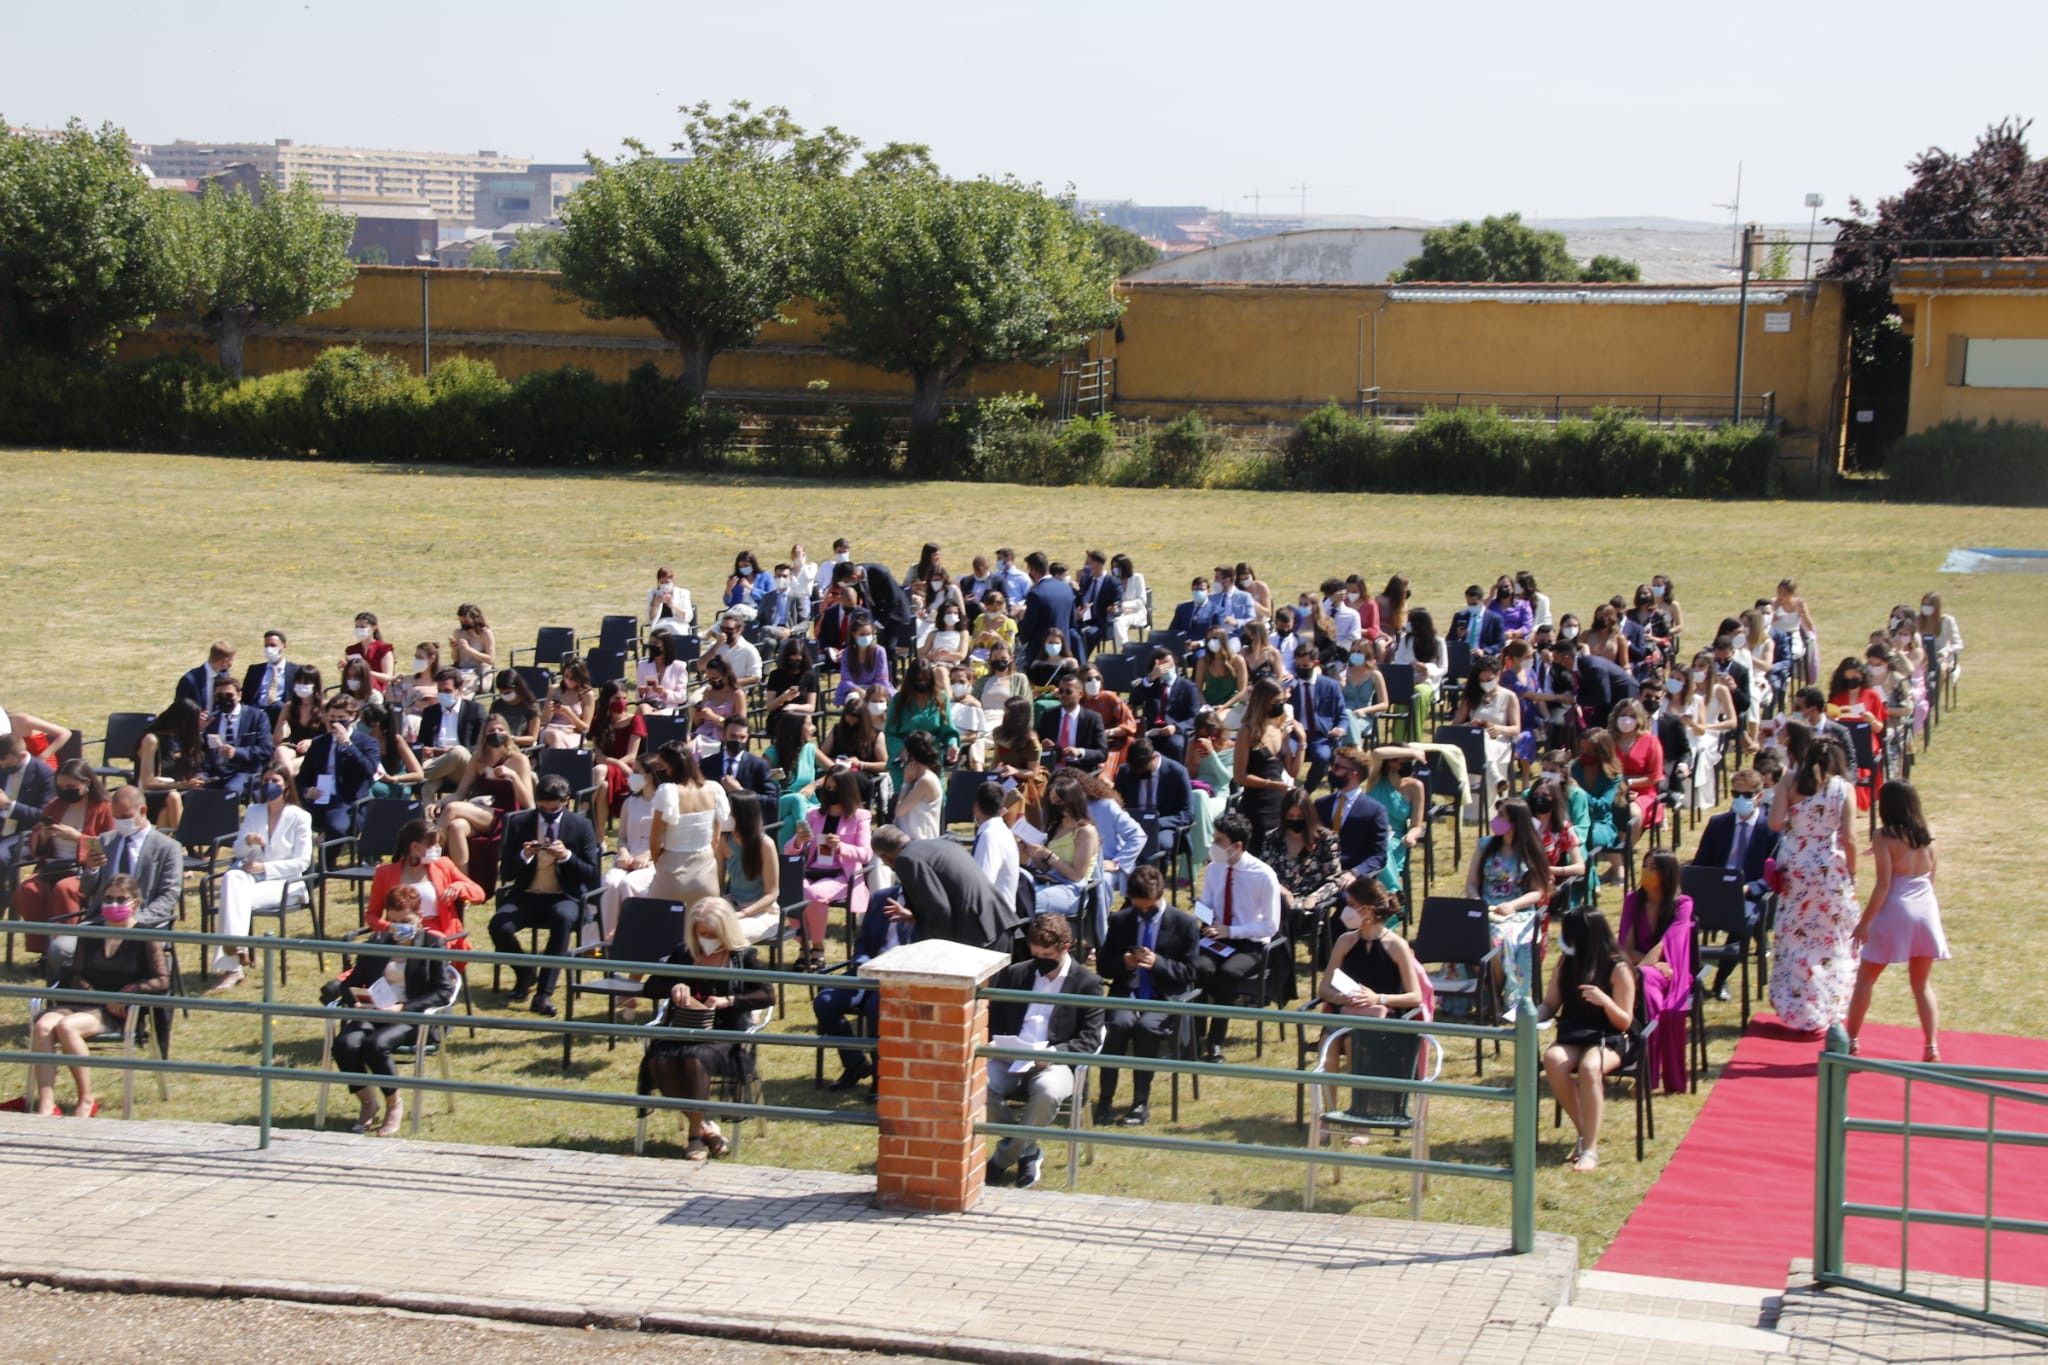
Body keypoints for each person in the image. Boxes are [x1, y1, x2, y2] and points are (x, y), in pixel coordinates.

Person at [638, 897, 773, 1161]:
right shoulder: (684, 953)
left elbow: (767, 995)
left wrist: (729, 1001)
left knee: (693, 1059)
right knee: (658, 1062)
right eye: (702, 934)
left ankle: (694, 1136)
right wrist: (674, 986)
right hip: (685, 1027)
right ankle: (707, 1127)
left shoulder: (743, 957)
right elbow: (651, 986)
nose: (707, 940)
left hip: (725, 1035)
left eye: (713, 934)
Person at [23, 874, 167, 1117]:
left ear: (136, 902)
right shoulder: (90, 933)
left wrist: (130, 992)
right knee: (43, 1026)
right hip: (86, 1000)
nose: (114, 904)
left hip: (119, 1010)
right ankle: (47, 1103)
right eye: (108, 899)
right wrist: (101, 996)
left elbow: (162, 980)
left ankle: (86, 1099)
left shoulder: (145, 936)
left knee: (68, 1027)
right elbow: (77, 975)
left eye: (121, 899)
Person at [984, 913, 1106, 1188]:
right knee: (977, 1084)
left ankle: (1001, 1160)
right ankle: (1027, 1151)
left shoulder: (1087, 984)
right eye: (1035, 953)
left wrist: (1053, 1053)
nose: (1040, 960)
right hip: (1010, 1056)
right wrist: (995, 1042)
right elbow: (994, 1020)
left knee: (1048, 1092)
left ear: (1065, 947)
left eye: (1047, 955)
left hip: (1055, 1061)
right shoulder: (1016, 973)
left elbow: (1089, 1040)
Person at [327, 887, 460, 1136]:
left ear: (420, 916)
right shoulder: (378, 941)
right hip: (374, 1012)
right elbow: (349, 983)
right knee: (345, 1043)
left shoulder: (433, 943)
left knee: (376, 1045)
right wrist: (356, 1000)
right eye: (394, 922)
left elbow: (442, 991)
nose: (400, 928)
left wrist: (402, 1007)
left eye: (406, 922)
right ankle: (368, 1102)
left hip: (411, 1016)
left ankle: (393, 1104)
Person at [1847, 781, 1948, 1060]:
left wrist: (1865, 922)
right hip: (1926, 909)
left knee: (1865, 978)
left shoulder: (1883, 836)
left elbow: (1883, 884)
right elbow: (1930, 879)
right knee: (1921, 984)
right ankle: (1931, 1046)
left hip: (1895, 909)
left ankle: (1852, 1042)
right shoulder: (1930, 834)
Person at [490, 772, 603, 1017]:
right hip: (529, 894)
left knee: (562, 919)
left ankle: (544, 994)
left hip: (565, 896)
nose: (548, 813)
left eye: (554, 809)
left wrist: (567, 857)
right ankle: (525, 973)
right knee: (499, 925)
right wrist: (524, 856)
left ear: (566, 801)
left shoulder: (581, 825)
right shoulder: (520, 823)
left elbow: (592, 874)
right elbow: (506, 872)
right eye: (543, 808)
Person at [1095, 864, 1200, 1127]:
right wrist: (1125, 963)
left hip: (1162, 995)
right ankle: (1105, 1100)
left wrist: (1158, 963)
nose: (1143, 912)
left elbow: (1190, 972)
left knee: (1146, 1028)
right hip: (1128, 990)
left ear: (1160, 896)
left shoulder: (1184, 924)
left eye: (1147, 907)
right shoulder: (1120, 921)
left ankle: (1140, 1102)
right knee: (1118, 1024)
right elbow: (1104, 965)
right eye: (1138, 906)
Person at [1768, 736, 1860, 1034]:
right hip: (1828, 867)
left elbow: (1774, 822)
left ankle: (1798, 1006)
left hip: (1796, 864)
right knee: (1830, 940)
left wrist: (1799, 823)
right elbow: (1849, 837)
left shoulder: (1789, 782)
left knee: (1796, 937)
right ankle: (1827, 1005)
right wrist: (1853, 871)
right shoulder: (1843, 789)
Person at [1538, 909, 1639, 1173]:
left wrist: (1605, 1001)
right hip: (1576, 1032)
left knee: (1589, 1068)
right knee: (1553, 1059)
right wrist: (1528, 1016)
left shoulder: (1618, 968)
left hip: (1613, 1036)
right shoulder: (1566, 963)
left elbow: (1624, 1021)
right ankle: (1584, 1131)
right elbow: (1550, 1003)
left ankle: (1590, 1148)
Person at [54, 785, 182, 977]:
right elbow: (86, 890)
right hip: (101, 921)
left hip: (143, 923)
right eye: (116, 817)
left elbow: (169, 894)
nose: (120, 822)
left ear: (143, 811)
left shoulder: (168, 847)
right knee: (60, 948)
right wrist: (92, 868)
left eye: (125, 817)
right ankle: (69, 1000)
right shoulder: (103, 841)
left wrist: (135, 921)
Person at [209, 762, 314, 990]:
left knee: (234, 899)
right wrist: (248, 842)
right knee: (231, 879)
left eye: (275, 781)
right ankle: (237, 950)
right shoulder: (255, 811)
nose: (269, 785)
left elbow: (302, 862)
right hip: (252, 878)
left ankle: (233, 964)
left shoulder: (300, 817)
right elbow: (238, 850)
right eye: (266, 781)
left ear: (286, 785)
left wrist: (265, 869)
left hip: (286, 883)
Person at [1193, 812, 1282, 1059]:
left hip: (1249, 940)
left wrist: (1231, 931)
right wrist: (1206, 918)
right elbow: (1206, 902)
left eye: (1219, 840)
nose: (1214, 845)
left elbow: (1270, 926)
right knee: (1200, 967)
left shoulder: (1263, 875)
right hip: (1217, 935)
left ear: (1237, 846)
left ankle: (1215, 1042)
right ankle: (1194, 1030)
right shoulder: (1214, 869)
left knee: (1228, 974)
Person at [815, 875, 916, 1090]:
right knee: (825, 1002)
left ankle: (881, 1077)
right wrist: (862, 961)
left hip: (900, 976)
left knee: (876, 1010)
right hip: (868, 970)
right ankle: (856, 1064)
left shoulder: (928, 907)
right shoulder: (882, 898)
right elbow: (862, 942)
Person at [1689, 765, 1779, 999]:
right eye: (1735, 794)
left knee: (1743, 923)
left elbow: (1773, 876)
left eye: (1747, 795)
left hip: (1747, 894)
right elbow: (1701, 863)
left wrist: (1749, 888)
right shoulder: (1718, 824)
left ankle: (1721, 980)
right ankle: (1691, 974)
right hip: (1715, 890)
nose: (1740, 800)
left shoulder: (1770, 830)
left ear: (1759, 796)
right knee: (1681, 917)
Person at [10, 760, 110, 955]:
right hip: (53, 866)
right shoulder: (54, 806)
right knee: (28, 890)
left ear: (87, 783)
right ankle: (42, 951)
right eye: (61, 787)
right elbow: (37, 845)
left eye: (71, 787)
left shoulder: (104, 808)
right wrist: (44, 836)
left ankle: (64, 949)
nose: (65, 791)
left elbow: (109, 846)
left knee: (64, 890)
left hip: (84, 869)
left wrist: (77, 837)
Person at [1465, 798, 1553, 1014]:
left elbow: (1537, 892)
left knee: (1497, 940)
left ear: (1515, 821)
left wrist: (1512, 905)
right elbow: (1471, 883)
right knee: (1471, 934)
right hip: (1486, 906)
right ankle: (1489, 994)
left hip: (1516, 911)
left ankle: (1496, 996)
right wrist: (1478, 902)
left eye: (1501, 815)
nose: (1496, 820)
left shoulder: (1529, 850)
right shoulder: (1485, 845)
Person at [1617, 850, 1692, 1094]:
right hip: (1644, 969)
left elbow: (1667, 944)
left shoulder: (1682, 904)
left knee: (1648, 981)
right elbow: (1624, 947)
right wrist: (1645, 968)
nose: (1646, 872)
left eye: (1653, 867)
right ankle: (1649, 1073)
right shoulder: (1633, 900)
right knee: (1649, 981)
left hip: (1673, 971)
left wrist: (1642, 971)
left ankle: (1647, 1074)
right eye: (1645, 865)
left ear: (1666, 874)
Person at [871, 823, 1017, 949]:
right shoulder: (940, 844)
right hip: (998, 925)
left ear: (885, 857)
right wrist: (915, 917)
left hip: (979, 939)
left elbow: (939, 911)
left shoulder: (906, 859)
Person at [783, 769, 871, 970]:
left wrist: (841, 847)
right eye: (828, 787)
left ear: (846, 791)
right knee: (790, 890)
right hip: (813, 869)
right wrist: (799, 841)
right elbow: (789, 849)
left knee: (814, 894)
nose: (830, 792)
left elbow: (866, 854)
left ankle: (817, 947)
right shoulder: (813, 815)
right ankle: (803, 944)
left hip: (842, 875)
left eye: (835, 788)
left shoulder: (860, 817)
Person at [432, 719, 533, 879]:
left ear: (507, 733)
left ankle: (431, 858)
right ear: (484, 734)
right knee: (456, 827)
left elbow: (529, 803)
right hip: (485, 811)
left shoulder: (518, 760)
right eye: (492, 730)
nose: (496, 733)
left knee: (453, 809)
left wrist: (513, 776)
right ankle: (464, 883)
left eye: (501, 729)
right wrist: (440, 802)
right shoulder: (478, 759)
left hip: (509, 815)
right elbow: (460, 793)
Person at [366, 818, 486, 947]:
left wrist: (459, 887)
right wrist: (389, 928)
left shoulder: (443, 865)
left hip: (438, 936)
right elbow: (372, 915)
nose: (438, 848)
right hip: (400, 935)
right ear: (415, 847)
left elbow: (479, 894)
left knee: (429, 945)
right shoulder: (384, 873)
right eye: (433, 845)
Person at [646, 742, 732, 907]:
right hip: (705, 874)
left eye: (661, 766)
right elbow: (715, 839)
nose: (659, 771)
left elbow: (655, 841)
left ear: (672, 766)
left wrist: (662, 864)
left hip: (672, 872)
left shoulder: (668, 792)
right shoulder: (715, 789)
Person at [1265, 787, 1344, 950]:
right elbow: (1263, 873)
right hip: (1276, 897)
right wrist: (1282, 890)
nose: (1295, 820)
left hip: (1307, 904)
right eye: (1291, 816)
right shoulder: (1272, 838)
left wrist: (1315, 898)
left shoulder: (1326, 840)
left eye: (1300, 817)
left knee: (1288, 915)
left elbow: (1335, 879)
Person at [1019, 773, 1102, 928]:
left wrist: (1047, 854)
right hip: (1050, 881)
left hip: (1072, 891)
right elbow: (1047, 868)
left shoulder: (1085, 831)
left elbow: (1077, 875)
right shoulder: (1056, 825)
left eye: (1060, 803)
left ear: (1072, 802)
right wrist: (1034, 854)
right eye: (1053, 803)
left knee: (1024, 901)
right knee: (1014, 894)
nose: (1057, 808)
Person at [1317, 746, 1391, 894]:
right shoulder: (1321, 804)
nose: (1332, 771)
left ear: (1354, 774)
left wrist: (1355, 873)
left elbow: (1378, 855)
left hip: (1351, 877)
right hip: (1318, 872)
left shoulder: (1374, 811)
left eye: (1337, 767)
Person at [599, 757, 660, 939]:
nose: (631, 776)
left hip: (654, 861)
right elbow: (622, 838)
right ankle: (605, 938)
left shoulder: (664, 804)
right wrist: (623, 853)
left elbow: (667, 840)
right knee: (610, 883)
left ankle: (632, 937)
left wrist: (648, 856)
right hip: (628, 858)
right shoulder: (630, 803)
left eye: (637, 772)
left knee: (630, 884)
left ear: (649, 776)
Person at [1232, 678, 1293, 850]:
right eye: (1276, 702)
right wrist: (1270, 784)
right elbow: (1239, 776)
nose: (1280, 705)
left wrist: (1300, 743)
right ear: (1263, 702)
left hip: (1279, 801)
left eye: (1282, 701)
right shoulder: (1247, 732)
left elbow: (1293, 770)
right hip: (1257, 805)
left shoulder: (1279, 727)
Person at [1114, 739, 1193, 872]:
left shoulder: (1177, 773)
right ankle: (1128, 888)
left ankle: (1153, 888)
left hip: (1163, 827)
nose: (1138, 774)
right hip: (1132, 824)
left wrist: (1157, 822)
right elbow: (1117, 805)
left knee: (1160, 845)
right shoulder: (1125, 771)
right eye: (1135, 771)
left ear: (1154, 757)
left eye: (1142, 770)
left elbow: (1187, 814)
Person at [1454, 655, 1522, 805]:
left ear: (1498, 675)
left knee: (1486, 740)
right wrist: (1469, 725)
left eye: (1489, 680)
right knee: (1481, 738)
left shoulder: (1509, 697)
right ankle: (1496, 778)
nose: (1485, 684)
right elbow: (1455, 725)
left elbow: (1516, 728)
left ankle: (1495, 779)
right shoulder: (1471, 695)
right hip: (1474, 739)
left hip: (1499, 740)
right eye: (1482, 681)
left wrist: (1498, 728)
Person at [721, 793, 783, 944]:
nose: (725, 815)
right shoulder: (724, 841)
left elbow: (772, 894)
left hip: (762, 912)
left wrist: (743, 914)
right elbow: (718, 885)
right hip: (733, 905)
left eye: (729, 811)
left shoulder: (765, 844)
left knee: (727, 933)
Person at [414, 669, 486, 794]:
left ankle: (413, 775)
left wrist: (449, 752)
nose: (443, 695)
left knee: (458, 752)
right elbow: (422, 742)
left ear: (459, 689)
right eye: (440, 691)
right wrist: (425, 751)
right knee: (426, 789)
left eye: (447, 691)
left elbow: (482, 745)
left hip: (464, 766)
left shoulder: (475, 710)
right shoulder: (430, 712)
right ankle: (426, 813)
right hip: (437, 763)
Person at [138, 698, 205, 832]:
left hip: (171, 793)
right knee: (173, 797)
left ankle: (163, 849)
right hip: (150, 794)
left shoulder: (175, 739)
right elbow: (147, 782)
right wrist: (182, 785)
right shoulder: (151, 740)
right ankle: (186, 842)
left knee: (166, 812)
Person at [589, 685, 648, 833]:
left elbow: (631, 756)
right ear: (607, 700)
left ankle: (584, 809)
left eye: (624, 698)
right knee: (603, 787)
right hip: (604, 772)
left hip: (626, 770)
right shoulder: (599, 722)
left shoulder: (635, 720)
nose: (621, 702)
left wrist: (615, 763)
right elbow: (598, 753)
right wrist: (609, 762)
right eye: (616, 699)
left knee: (599, 769)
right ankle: (600, 839)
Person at [1129, 646, 1201, 765]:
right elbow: (1134, 700)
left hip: (1174, 731)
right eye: (1163, 667)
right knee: (1139, 747)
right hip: (1152, 730)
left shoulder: (1188, 687)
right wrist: (1150, 678)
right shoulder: (1151, 685)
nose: (1167, 669)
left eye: (1170, 665)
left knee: (1175, 745)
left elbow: (1194, 717)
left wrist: (1176, 727)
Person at [0, 733, 58, 870]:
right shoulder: (2, 767)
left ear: (22, 756)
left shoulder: (45, 775)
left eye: (6, 764)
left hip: (25, 833)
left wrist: (8, 806)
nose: (3, 767)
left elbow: (44, 816)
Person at [702, 713, 779, 814]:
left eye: (742, 737)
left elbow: (772, 800)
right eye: (733, 736)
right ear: (724, 735)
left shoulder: (758, 765)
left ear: (747, 738)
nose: (737, 741)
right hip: (715, 820)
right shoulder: (707, 764)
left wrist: (741, 791)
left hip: (746, 820)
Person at [1035, 674, 1107, 773]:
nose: (1063, 695)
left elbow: (1102, 753)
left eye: (1068, 692)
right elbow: (1037, 742)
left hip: (1079, 772)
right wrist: (1042, 745)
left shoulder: (1093, 718)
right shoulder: (1049, 715)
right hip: (1051, 770)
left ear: (1080, 694)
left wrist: (1079, 752)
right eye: (1061, 691)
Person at [971, 781, 1022, 914]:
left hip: (994, 919)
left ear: (976, 807)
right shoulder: (1000, 830)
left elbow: (983, 884)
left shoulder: (990, 836)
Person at [833, 618, 894, 707]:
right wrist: (858, 690)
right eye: (862, 634)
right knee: (853, 701)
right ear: (854, 634)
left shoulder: (879, 651)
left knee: (876, 703)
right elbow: (846, 679)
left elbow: (882, 679)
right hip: (853, 690)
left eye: (868, 634)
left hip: (877, 689)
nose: (866, 637)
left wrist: (869, 693)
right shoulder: (846, 653)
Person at [538, 657, 596, 750]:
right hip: (551, 730)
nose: (568, 680)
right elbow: (544, 721)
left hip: (573, 733)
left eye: (572, 678)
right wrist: (550, 709)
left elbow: (585, 728)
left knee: (555, 737)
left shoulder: (587, 695)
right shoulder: (554, 689)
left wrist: (569, 713)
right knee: (552, 734)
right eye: (566, 676)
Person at [240, 629, 302, 717]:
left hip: (281, 713)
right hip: (257, 712)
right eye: (266, 646)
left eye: (273, 645)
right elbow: (245, 697)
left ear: (284, 646)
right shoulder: (254, 670)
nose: (269, 649)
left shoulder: (296, 671)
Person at [636, 632, 692, 715]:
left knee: (647, 715)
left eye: (655, 643)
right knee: (643, 709)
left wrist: (665, 692)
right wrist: (641, 693)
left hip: (669, 708)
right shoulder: (643, 665)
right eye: (650, 643)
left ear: (666, 646)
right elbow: (639, 697)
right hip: (649, 705)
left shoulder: (679, 666)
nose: (652, 646)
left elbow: (682, 697)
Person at [175, 640, 238, 712]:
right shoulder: (189, 680)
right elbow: (179, 709)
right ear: (224, 661)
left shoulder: (225, 675)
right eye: (231, 660)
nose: (232, 663)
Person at [708, 612, 764, 691]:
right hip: (711, 688)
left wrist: (729, 683)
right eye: (722, 628)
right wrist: (716, 646)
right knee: (693, 701)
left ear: (739, 630)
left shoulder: (749, 649)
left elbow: (756, 677)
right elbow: (700, 666)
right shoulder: (714, 645)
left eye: (729, 629)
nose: (724, 632)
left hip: (735, 690)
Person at [487, 669, 542, 749]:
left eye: (508, 693)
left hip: (519, 749)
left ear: (518, 688)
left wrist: (512, 738)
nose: (505, 696)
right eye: (502, 693)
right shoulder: (497, 706)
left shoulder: (531, 707)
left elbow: (532, 738)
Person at [343, 611, 397, 691]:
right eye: (357, 627)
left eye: (362, 627)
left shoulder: (383, 649)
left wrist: (365, 672)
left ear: (374, 627)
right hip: (356, 691)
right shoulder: (352, 650)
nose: (359, 630)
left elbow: (388, 677)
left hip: (379, 692)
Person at [450, 603, 497, 688]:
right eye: (462, 621)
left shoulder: (485, 633)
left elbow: (491, 660)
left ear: (475, 619)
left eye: (467, 621)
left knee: (462, 684)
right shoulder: (459, 632)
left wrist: (469, 649)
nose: (464, 624)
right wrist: (454, 649)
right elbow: (455, 660)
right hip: (462, 671)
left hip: (480, 674)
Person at [646, 565, 694, 635]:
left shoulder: (683, 593)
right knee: (664, 630)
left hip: (679, 624)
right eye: (662, 582)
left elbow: (688, 617)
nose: (665, 584)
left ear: (673, 579)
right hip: (659, 625)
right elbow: (650, 619)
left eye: (668, 581)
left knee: (672, 627)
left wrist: (672, 605)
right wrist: (655, 604)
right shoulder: (653, 593)